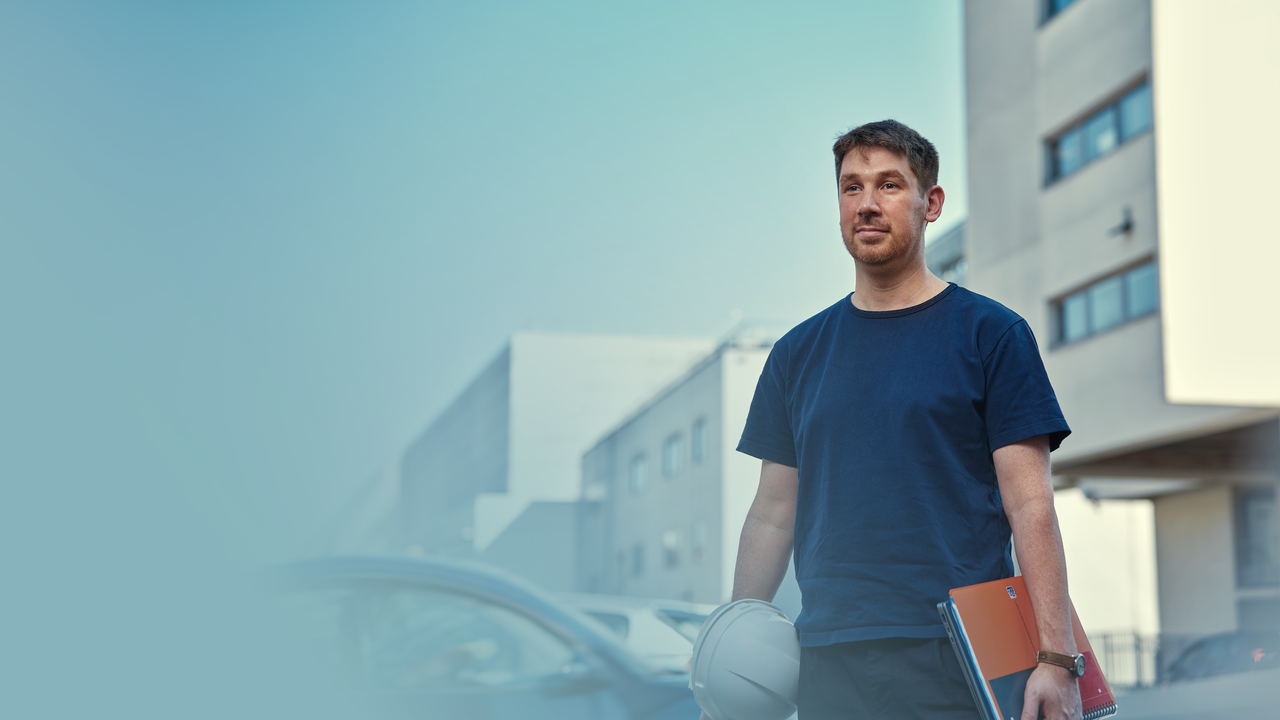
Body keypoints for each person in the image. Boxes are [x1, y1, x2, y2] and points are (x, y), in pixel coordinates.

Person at [722, 120, 1082, 720]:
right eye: (850, 187)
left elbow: (1031, 506)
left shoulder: (992, 335)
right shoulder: (796, 353)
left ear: (930, 203)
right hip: (826, 658)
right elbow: (771, 513)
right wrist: (731, 656)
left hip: (958, 653)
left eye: (889, 185)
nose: (866, 204)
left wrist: (1056, 657)